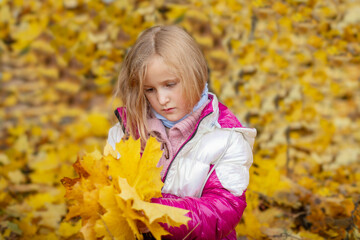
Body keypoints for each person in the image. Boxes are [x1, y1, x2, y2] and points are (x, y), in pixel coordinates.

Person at [107, 25, 256, 240]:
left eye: (170, 84)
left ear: (194, 74)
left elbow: (223, 210)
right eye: (150, 89)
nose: (162, 99)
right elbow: (109, 193)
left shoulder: (227, 138)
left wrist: (158, 212)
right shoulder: (126, 132)